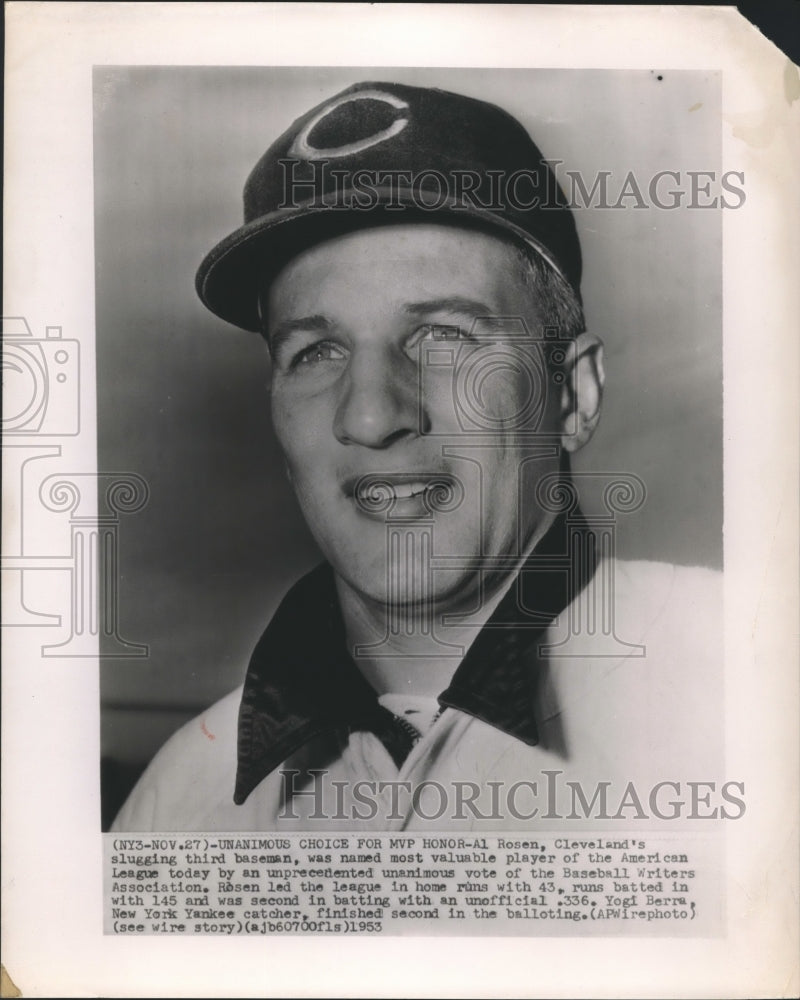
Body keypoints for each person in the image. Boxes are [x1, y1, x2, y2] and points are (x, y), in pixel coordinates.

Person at [113, 81, 722, 831]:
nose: (370, 416)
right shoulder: (181, 801)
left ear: (571, 395)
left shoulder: (751, 686)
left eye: (444, 336)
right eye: (316, 351)